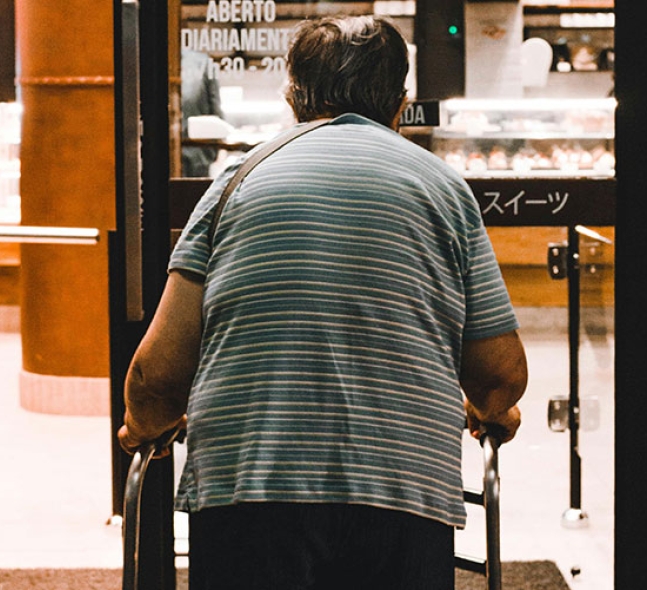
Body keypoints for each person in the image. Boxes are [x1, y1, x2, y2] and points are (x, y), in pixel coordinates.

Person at [118, 15, 527, 590]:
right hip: (403, 493)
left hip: (249, 494)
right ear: (401, 102)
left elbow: (157, 374)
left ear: (292, 95)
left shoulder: (235, 183)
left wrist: (144, 425)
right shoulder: (444, 190)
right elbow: (500, 374)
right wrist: (492, 410)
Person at [181, 49, 225, 177]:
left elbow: (215, 107)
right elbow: (215, 106)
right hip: (198, 151)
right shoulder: (201, 62)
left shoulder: (202, 62)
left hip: (196, 153)